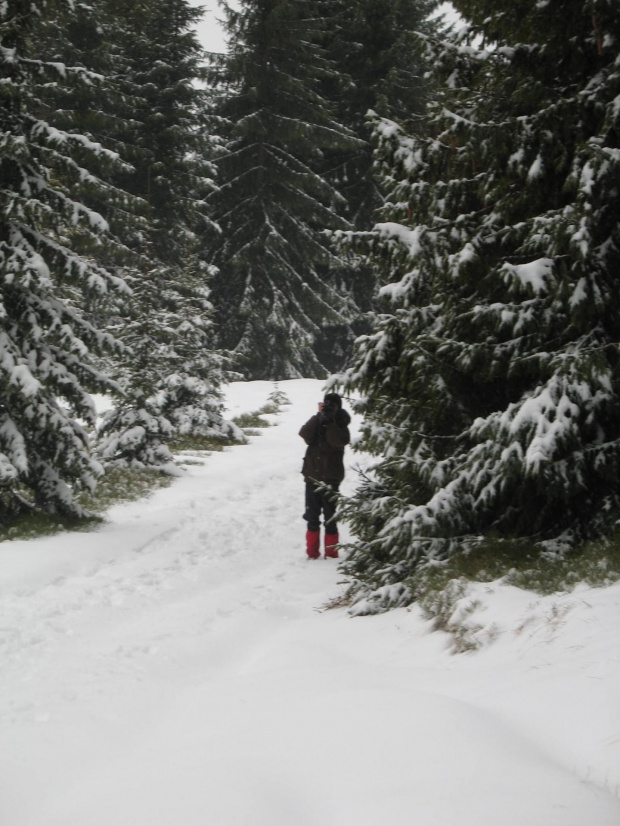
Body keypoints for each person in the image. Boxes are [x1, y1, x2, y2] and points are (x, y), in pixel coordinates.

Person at [299, 392, 351, 559]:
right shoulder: (318, 421)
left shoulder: (341, 424)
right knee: (312, 518)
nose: (328, 407)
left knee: (330, 519)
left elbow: (336, 442)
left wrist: (330, 422)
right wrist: (319, 416)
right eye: (326, 404)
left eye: (331, 405)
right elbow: (304, 434)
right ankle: (312, 553)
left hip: (331, 479)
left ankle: (331, 553)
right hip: (312, 477)